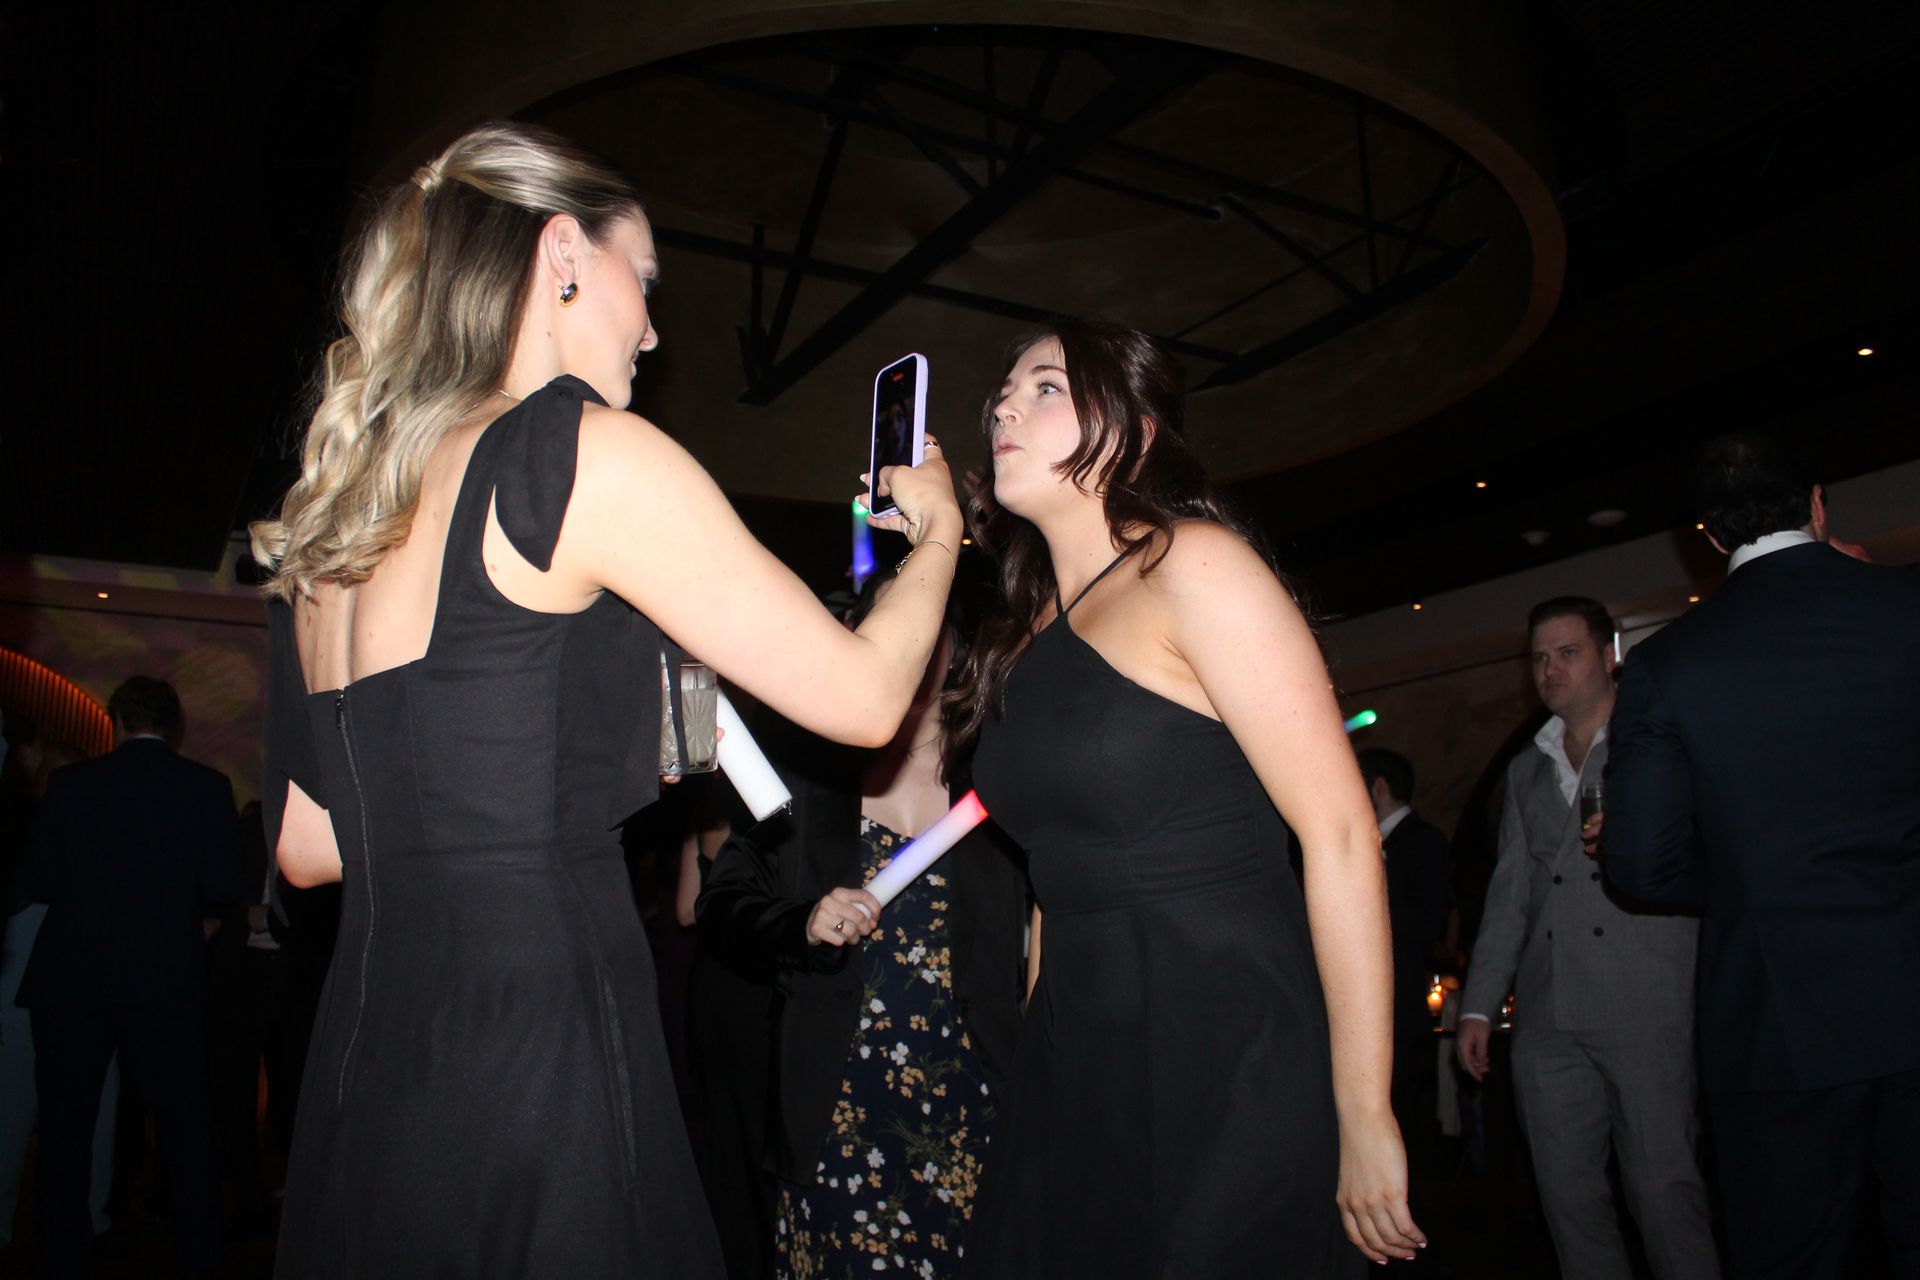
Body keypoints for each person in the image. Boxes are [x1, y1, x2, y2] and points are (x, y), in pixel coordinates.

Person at [247, 120, 963, 1279]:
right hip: (538, 1041)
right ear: (564, 254)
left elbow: (310, 847)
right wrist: (936, 539)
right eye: (647, 278)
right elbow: (869, 697)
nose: (655, 324)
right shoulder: (577, 453)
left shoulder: (336, 522)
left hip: (370, 1054)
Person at [946, 319, 1420, 1277]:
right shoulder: (1028, 633)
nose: (1004, 404)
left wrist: (1364, 1110)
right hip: (1082, 1042)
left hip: (1225, 1026)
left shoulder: (1190, 566)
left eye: (1046, 387)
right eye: (1003, 391)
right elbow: (1052, 861)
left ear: (1136, 433)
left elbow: (1337, 835)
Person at [1603, 435, 1920, 1279]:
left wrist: (1747, 883)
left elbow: (1638, 865)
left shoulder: (1669, 664)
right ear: (1819, 503)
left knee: (1793, 1257)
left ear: (1707, 534)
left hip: (1776, 1017)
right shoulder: (1905, 610)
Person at [698, 569, 1027, 1280]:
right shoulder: (809, 776)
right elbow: (722, 906)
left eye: (927, 620)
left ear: (956, 645)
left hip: (977, 1100)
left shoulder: (1003, 775)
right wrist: (802, 922)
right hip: (838, 1106)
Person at [1456, 598, 1717, 1280]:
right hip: (1547, 1017)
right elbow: (1509, 896)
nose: (1549, 669)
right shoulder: (1525, 769)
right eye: (1539, 658)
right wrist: (1480, 1006)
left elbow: (1719, 851)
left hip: (1646, 1003)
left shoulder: (1657, 741)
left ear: (1609, 657)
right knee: (1569, 1202)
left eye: (1567, 652)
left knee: (1664, 1191)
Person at [17, 678, 245, 1279]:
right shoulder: (206, 788)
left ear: (115, 721)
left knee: (66, 1128)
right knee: (182, 1124)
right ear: (173, 728)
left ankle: (61, 1256)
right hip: (162, 978)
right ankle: (201, 1256)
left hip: (73, 978)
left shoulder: (70, 786)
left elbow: (39, 878)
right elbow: (225, 884)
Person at [1355, 748, 1451, 1126]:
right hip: (1373, 997)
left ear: (1378, 787)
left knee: (1402, 1107)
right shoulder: (1374, 844)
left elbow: (1430, 920)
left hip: (1402, 995)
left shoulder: (1422, 841)